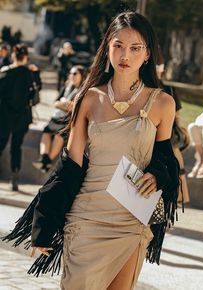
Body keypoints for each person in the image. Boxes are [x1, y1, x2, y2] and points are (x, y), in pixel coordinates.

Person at [4, 12, 179, 289]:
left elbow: (165, 157)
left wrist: (157, 174)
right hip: (86, 217)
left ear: (147, 54)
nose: (125, 55)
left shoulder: (162, 104)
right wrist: (45, 220)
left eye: (135, 48)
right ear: (107, 46)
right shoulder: (89, 99)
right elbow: (70, 165)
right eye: (118, 45)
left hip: (131, 220)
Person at [0, 43, 41, 190]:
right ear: (26, 57)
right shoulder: (30, 73)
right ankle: (14, 178)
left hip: (5, 116)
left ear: (13, 56)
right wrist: (36, 73)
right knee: (16, 147)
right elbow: (36, 93)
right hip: (22, 117)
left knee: (1, 144)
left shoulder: (6, 72)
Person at [33, 65, 87, 173]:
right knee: (46, 132)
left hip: (67, 120)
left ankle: (45, 162)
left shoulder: (83, 91)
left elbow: (75, 108)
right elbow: (55, 103)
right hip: (57, 117)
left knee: (59, 136)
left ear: (82, 76)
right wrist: (65, 104)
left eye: (75, 73)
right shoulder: (67, 86)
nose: (72, 75)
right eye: (71, 73)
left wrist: (64, 104)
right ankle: (44, 159)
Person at [156, 46, 190, 204]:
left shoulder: (167, 89)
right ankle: (179, 197)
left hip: (166, 133)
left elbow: (176, 115)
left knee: (176, 162)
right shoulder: (167, 88)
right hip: (167, 133)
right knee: (176, 163)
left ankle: (179, 197)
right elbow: (177, 115)